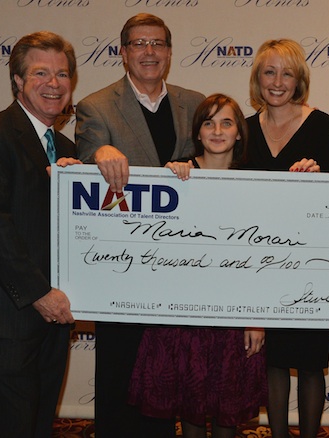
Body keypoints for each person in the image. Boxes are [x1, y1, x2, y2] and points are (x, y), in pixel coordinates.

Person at [75, 12, 205, 438]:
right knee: (119, 374)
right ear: (123, 52)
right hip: (121, 270)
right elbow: (87, 159)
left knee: (165, 377)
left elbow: (216, 165)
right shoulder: (96, 106)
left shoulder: (195, 102)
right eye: (138, 44)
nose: (149, 52)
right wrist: (100, 153)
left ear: (168, 52)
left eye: (157, 44)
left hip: (179, 269)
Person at [0, 31, 80, 437]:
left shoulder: (62, 146)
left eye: (62, 74)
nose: (54, 83)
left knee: (40, 424)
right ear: (17, 81)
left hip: (53, 317)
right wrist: (38, 294)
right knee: (11, 427)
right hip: (8, 317)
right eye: (40, 73)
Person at [129, 93, 267, 438]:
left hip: (235, 316)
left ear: (240, 133)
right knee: (189, 410)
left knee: (227, 417)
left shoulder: (260, 185)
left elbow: (263, 260)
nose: (217, 130)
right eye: (208, 123)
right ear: (198, 132)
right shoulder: (176, 175)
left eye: (227, 122)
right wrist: (167, 177)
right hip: (182, 317)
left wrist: (256, 317)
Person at [246, 39, 329, 438]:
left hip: (311, 266)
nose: (278, 81)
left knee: (308, 361)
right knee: (272, 360)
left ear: (300, 79)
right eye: (270, 72)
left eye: (288, 73)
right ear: (258, 78)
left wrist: (319, 178)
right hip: (259, 264)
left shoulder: (321, 124)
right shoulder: (244, 129)